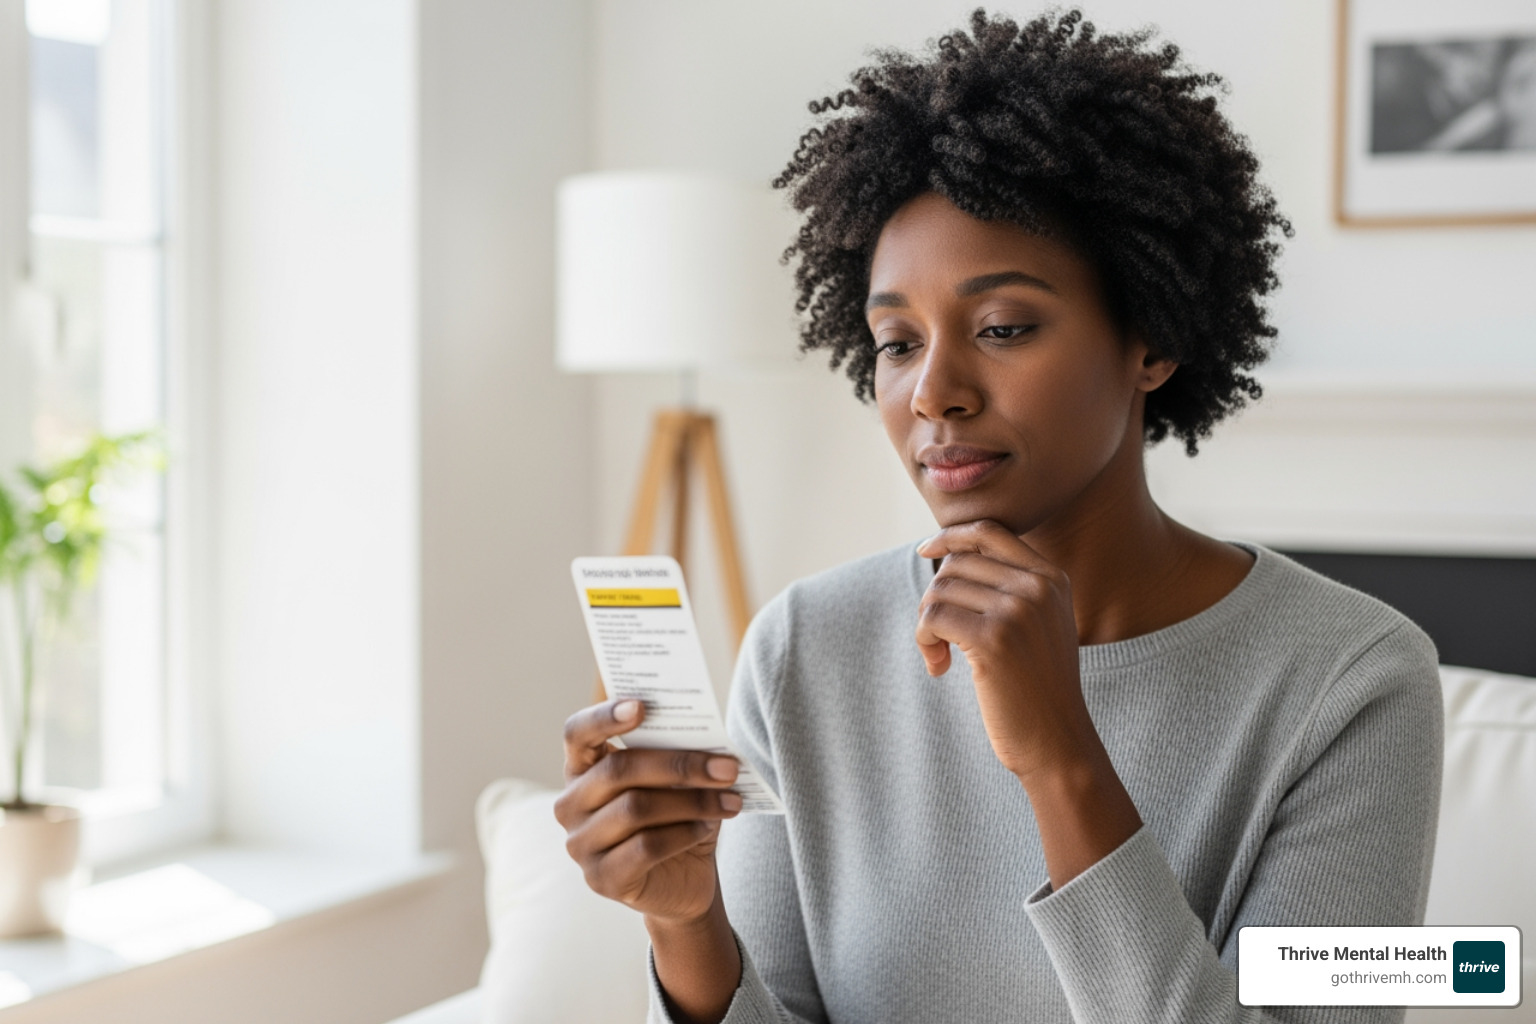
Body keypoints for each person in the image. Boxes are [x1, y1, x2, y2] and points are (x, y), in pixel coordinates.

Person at [555, 9, 1443, 1024]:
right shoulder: (805, 650)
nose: (935, 390)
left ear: (1150, 339)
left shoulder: (1357, 677)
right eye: (896, 341)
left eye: (1003, 327)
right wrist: (684, 926)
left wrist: (1061, 755)